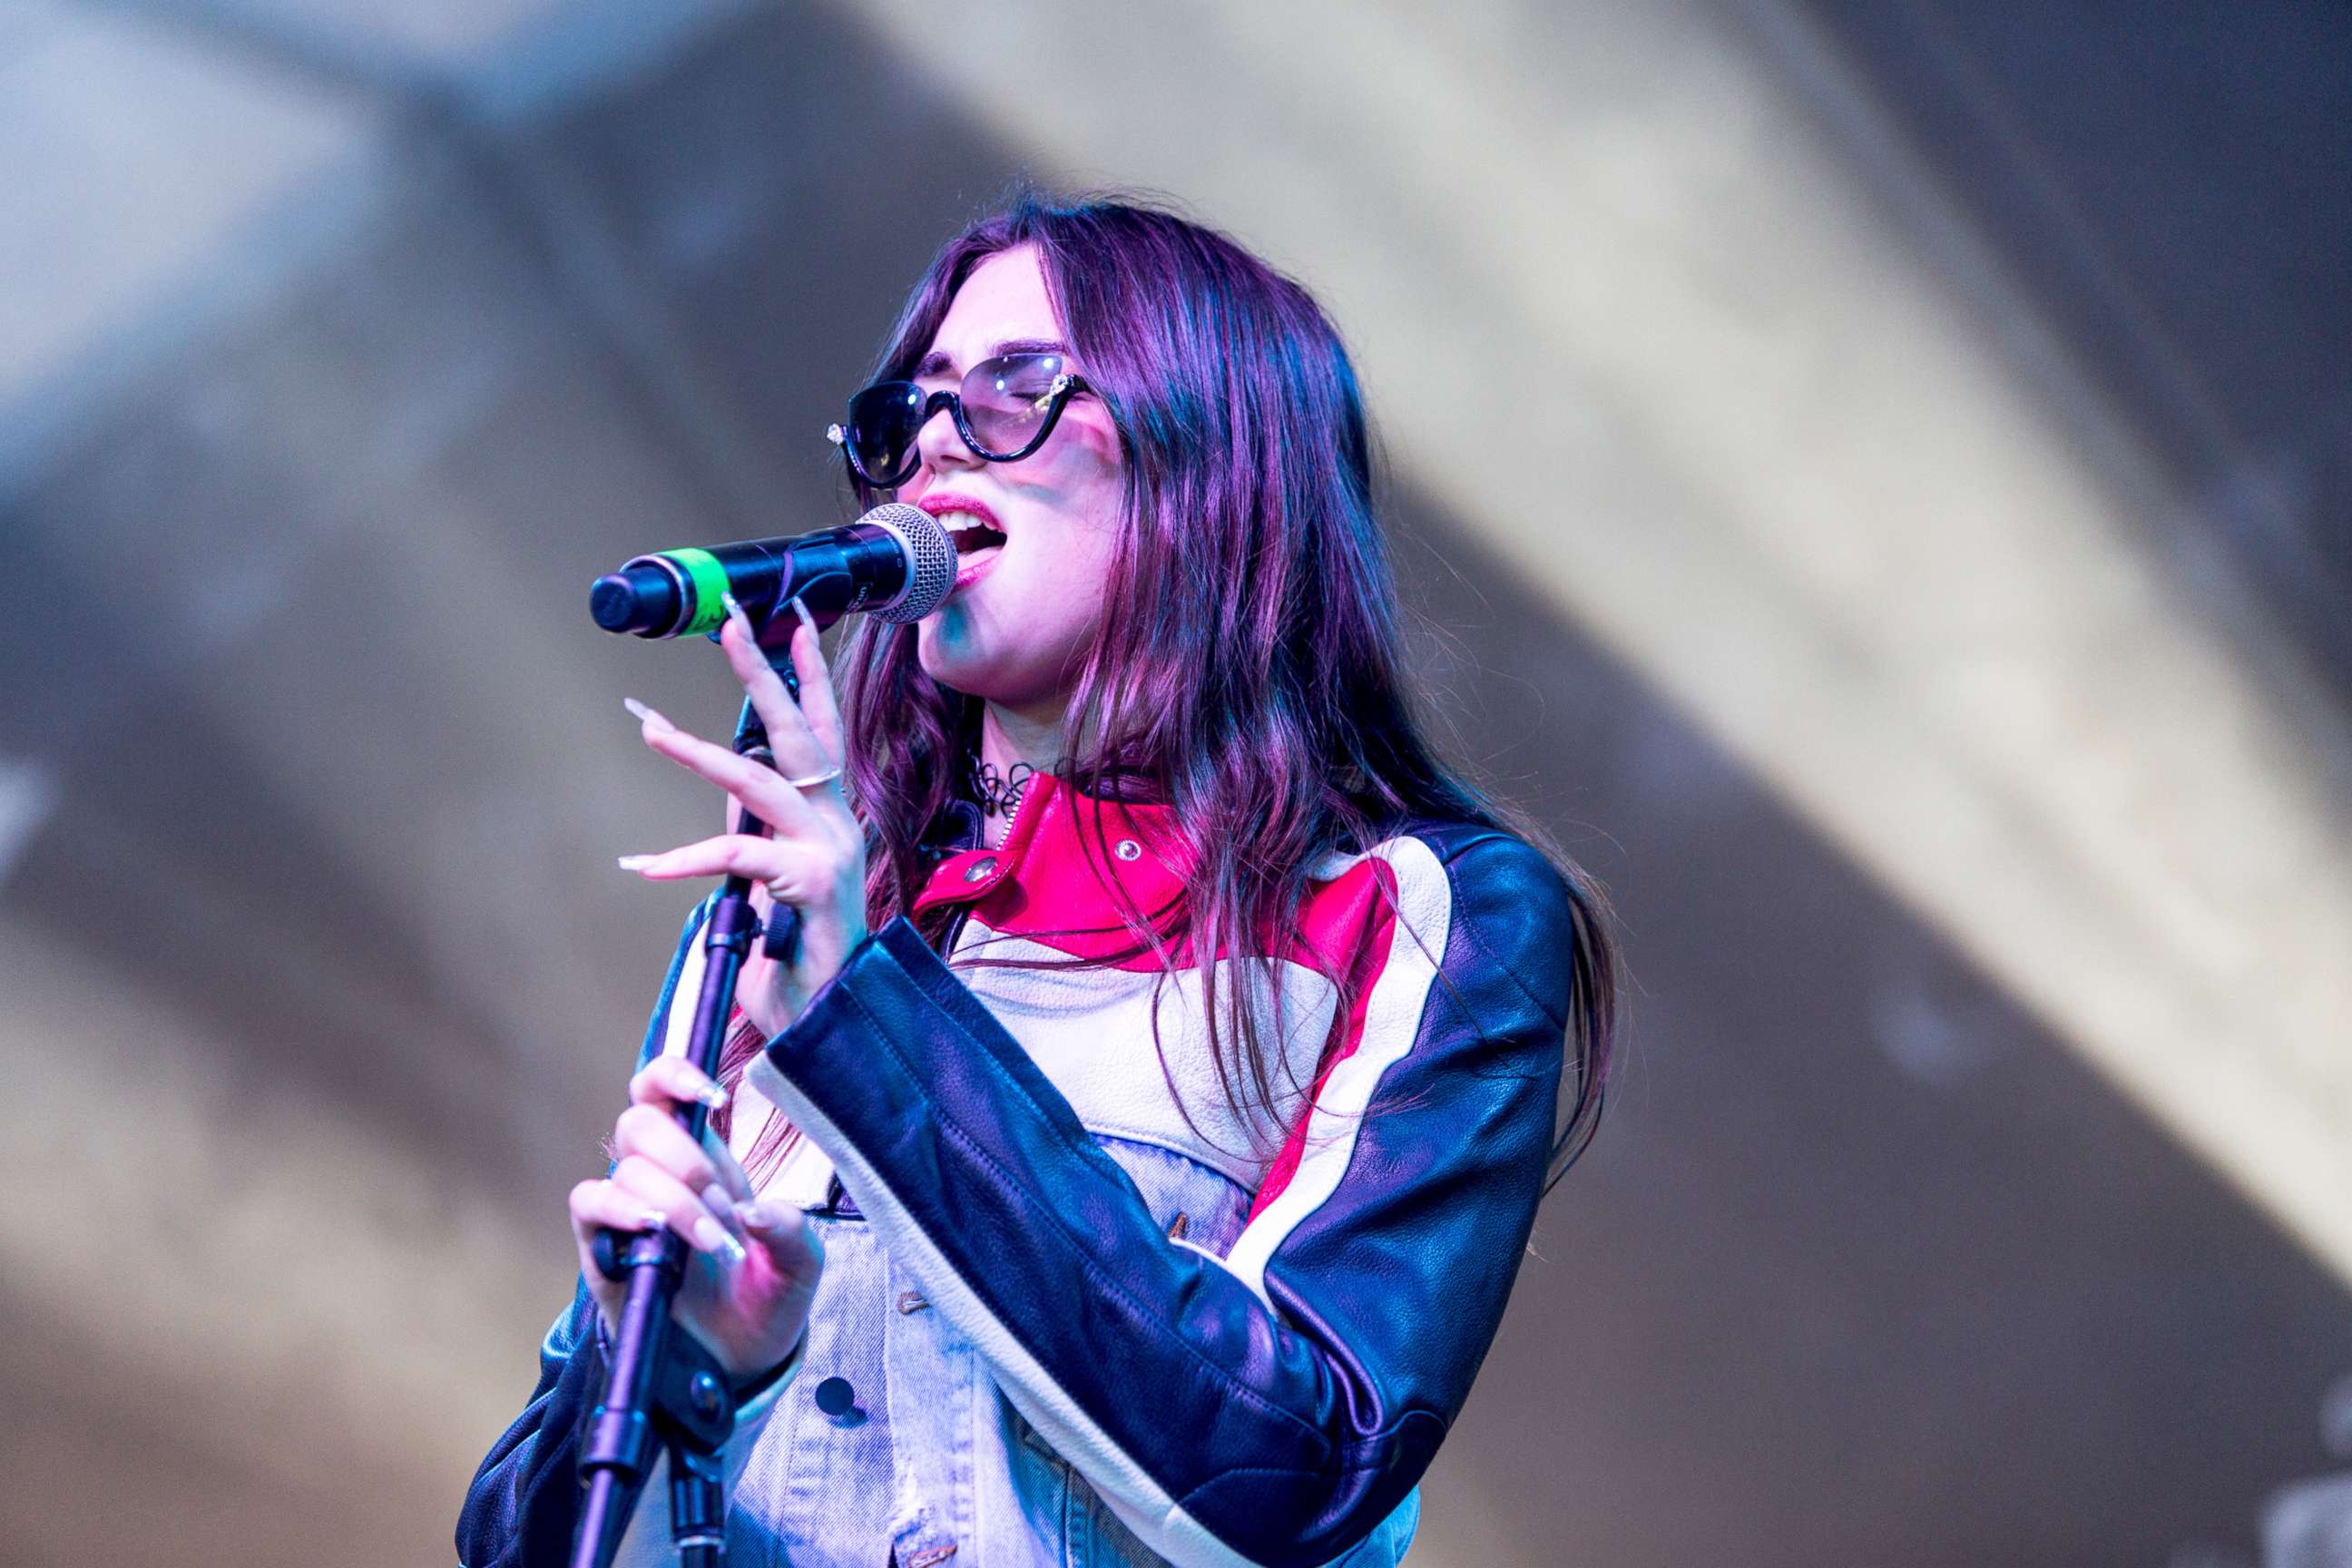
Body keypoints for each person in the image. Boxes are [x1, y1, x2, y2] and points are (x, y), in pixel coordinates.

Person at [457, 193, 1617, 1568]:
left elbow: (1292, 1465)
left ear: (1217, 459)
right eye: (918, 406)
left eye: (1017, 390)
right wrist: (685, 1382)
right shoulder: (813, 913)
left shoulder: (1420, 911)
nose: (939, 442)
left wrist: (863, 1028)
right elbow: (525, 1542)